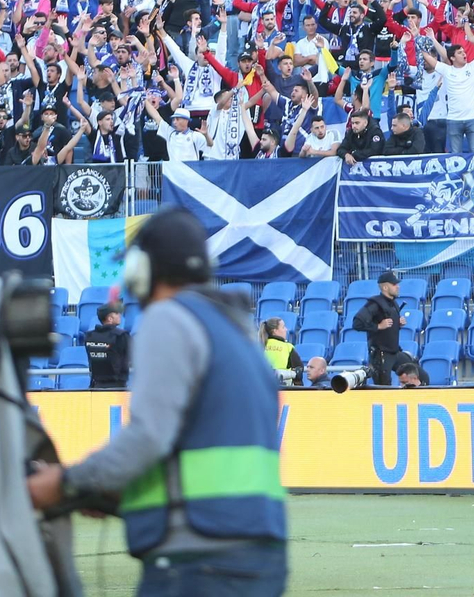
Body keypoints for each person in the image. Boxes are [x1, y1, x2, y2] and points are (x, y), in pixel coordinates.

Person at [26, 210, 287, 594]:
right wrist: (119, 492)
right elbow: (197, 451)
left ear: (144, 269)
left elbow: (149, 438)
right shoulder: (238, 333)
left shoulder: (167, 319)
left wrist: (65, 484)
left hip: (197, 559)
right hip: (257, 555)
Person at [350, 270, 407, 387]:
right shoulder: (374, 304)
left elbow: (389, 327)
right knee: (384, 387)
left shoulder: (394, 303)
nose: (398, 287)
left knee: (415, 371)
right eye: (394, 284)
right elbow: (357, 323)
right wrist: (378, 326)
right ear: (385, 287)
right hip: (380, 354)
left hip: (394, 351)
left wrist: (398, 323)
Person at [82, 304, 132, 389]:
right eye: (116, 313)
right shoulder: (121, 336)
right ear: (110, 318)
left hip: (96, 386)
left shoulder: (90, 336)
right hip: (117, 387)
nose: (119, 315)